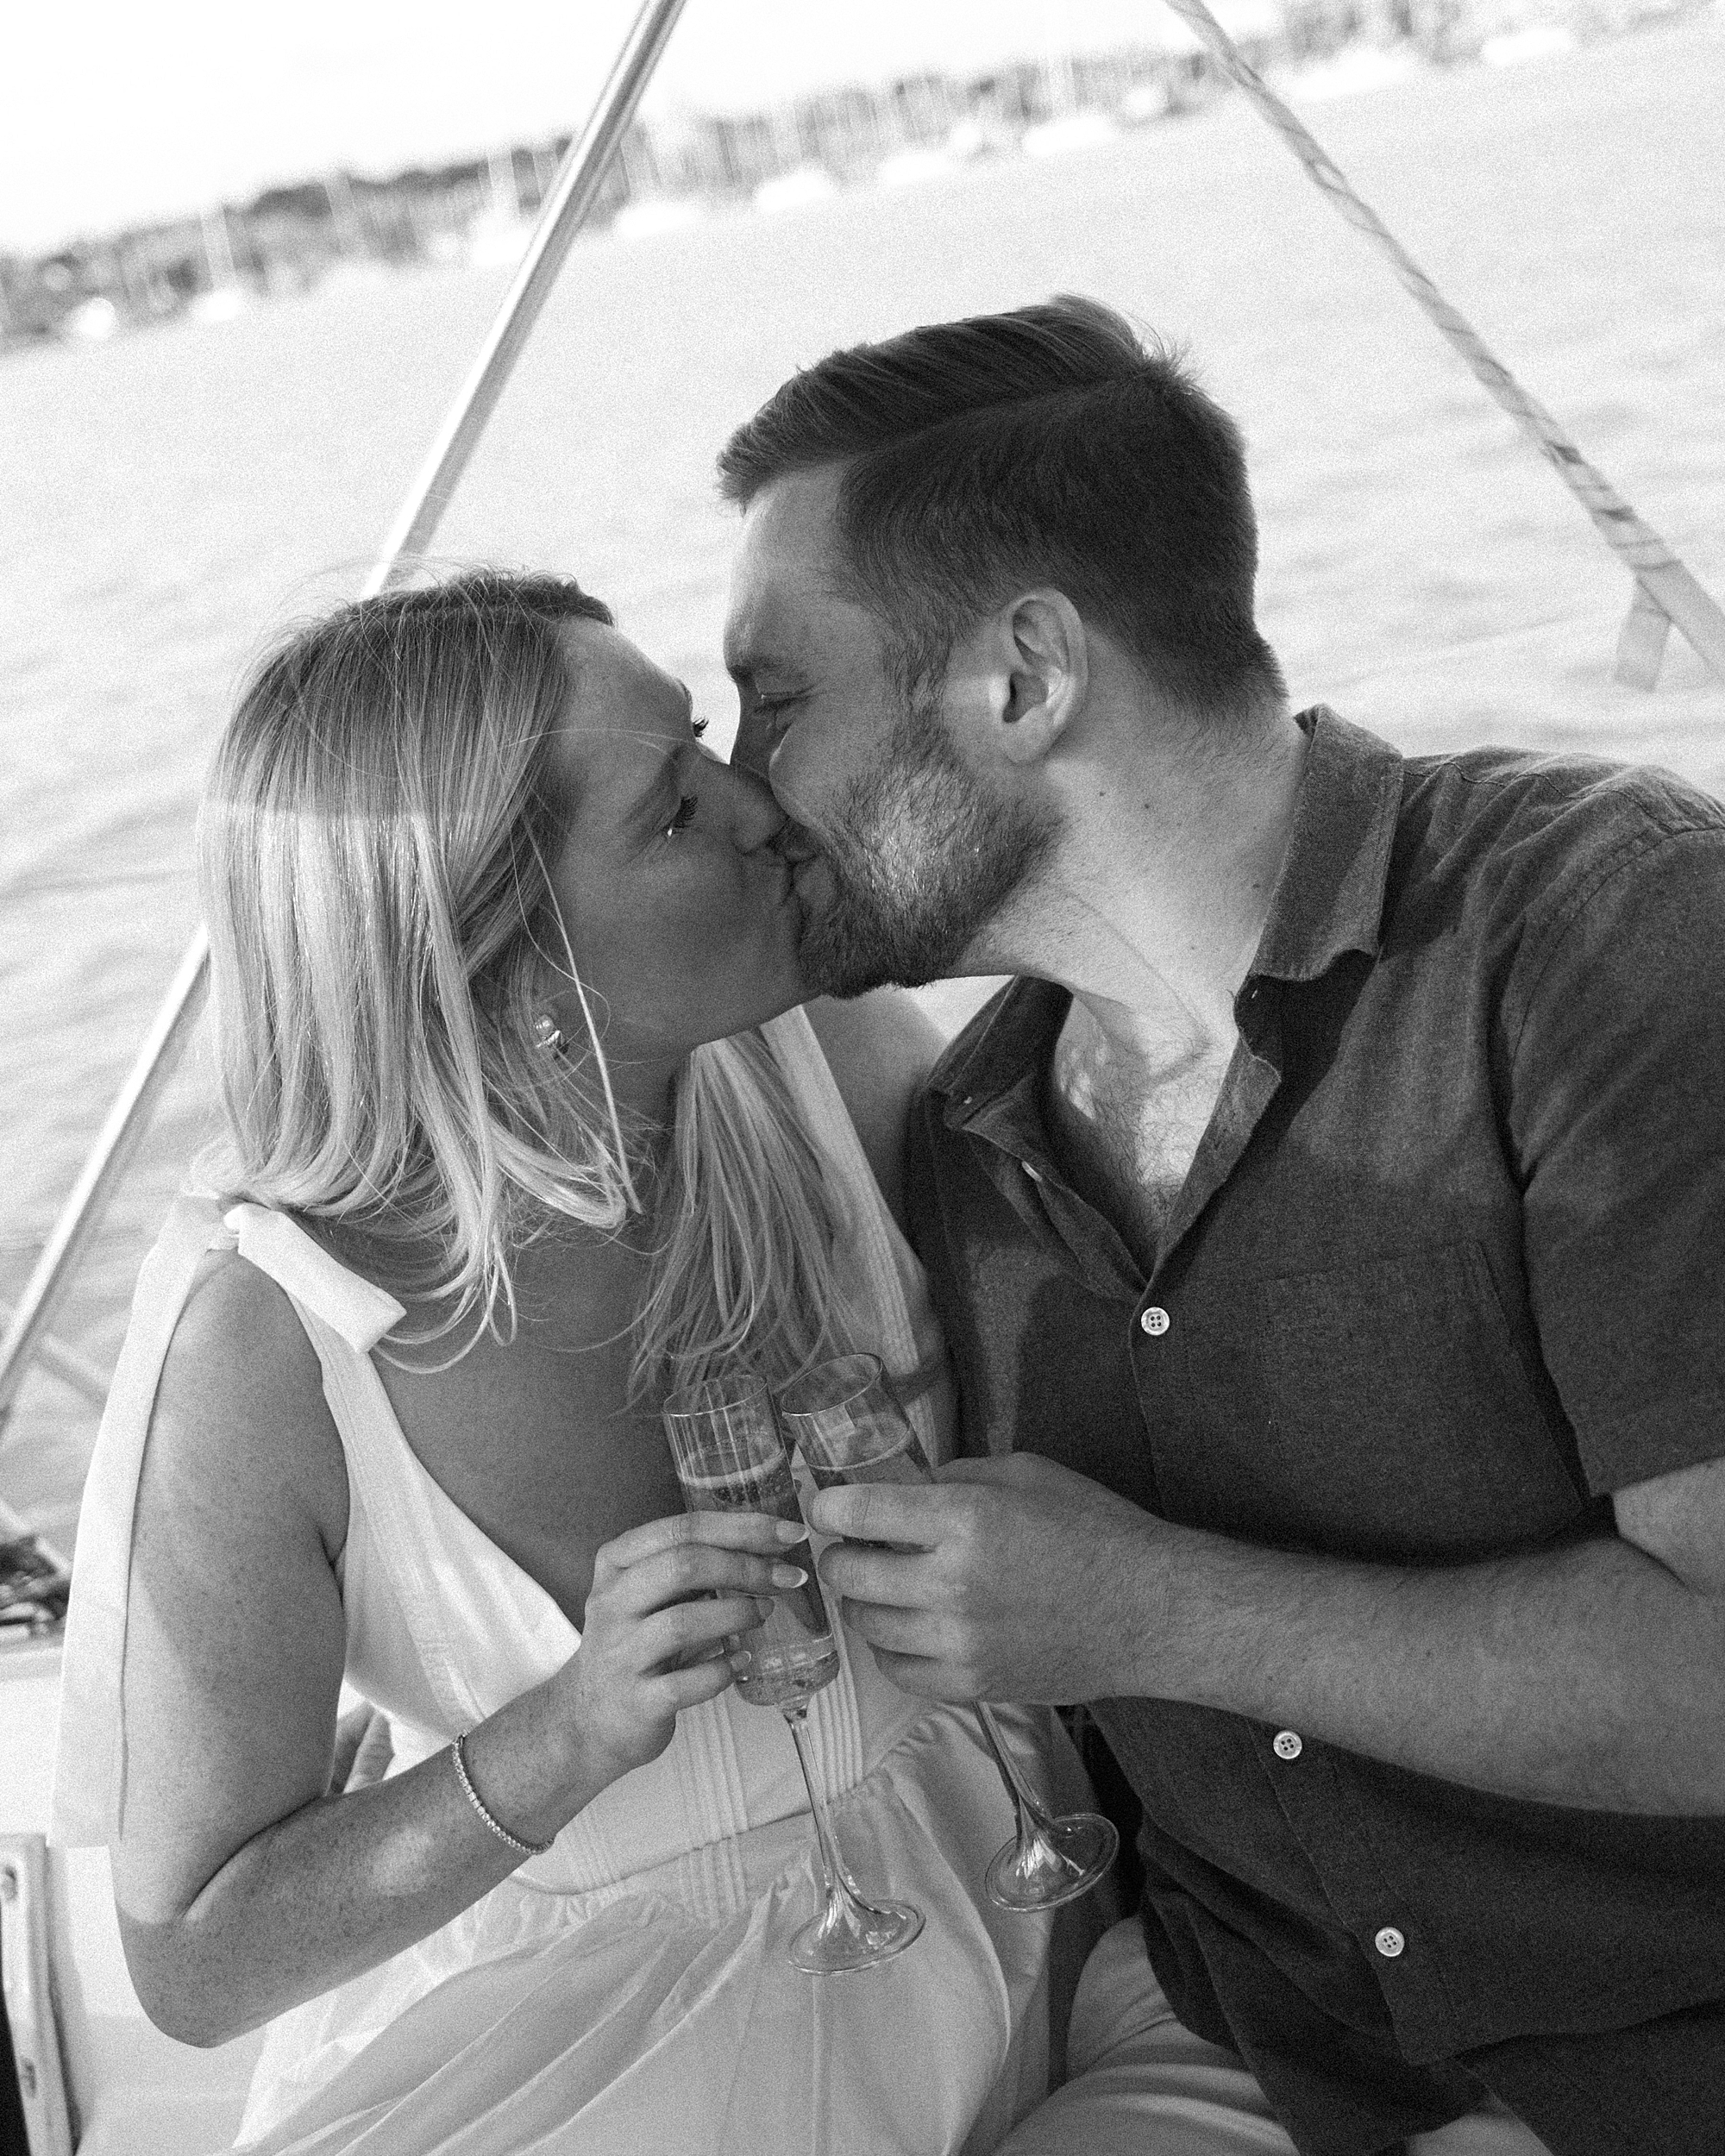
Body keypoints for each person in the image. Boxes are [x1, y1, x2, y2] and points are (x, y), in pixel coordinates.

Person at [718, 295, 1725, 2156]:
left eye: (776, 700)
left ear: (1021, 675)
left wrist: (1155, 1605)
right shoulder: (966, 1131)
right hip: (1265, 2053)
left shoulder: (1608, 943)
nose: (736, 783)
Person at [50, 571, 1083, 2155]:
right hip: (567, 2073)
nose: (766, 808)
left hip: (1015, 1930)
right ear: (496, 955)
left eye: (707, 746)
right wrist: (568, 1729)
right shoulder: (271, 1340)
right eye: (676, 809)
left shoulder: (849, 1076)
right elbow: (194, 1957)